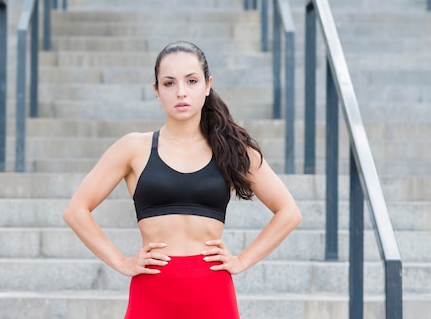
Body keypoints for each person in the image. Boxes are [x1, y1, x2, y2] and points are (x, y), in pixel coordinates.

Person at [63, 41, 302, 318]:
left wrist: (242, 260)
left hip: (213, 292)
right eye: (169, 83)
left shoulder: (233, 148)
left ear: (207, 85)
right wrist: (122, 262)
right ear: (156, 90)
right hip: (151, 291)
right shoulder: (133, 148)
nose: (181, 92)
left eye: (191, 81)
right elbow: (76, 210)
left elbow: (289, 212)